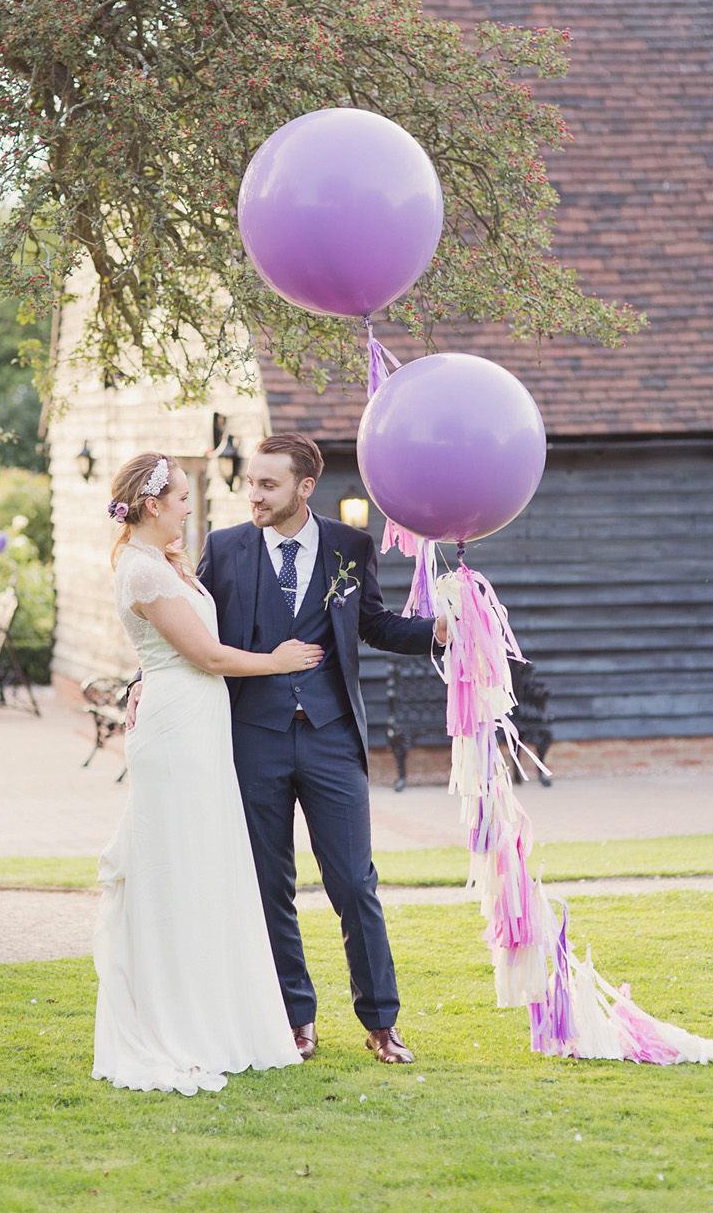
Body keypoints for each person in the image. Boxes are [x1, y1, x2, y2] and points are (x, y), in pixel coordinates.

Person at [196, 433, 445, 1065]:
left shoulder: (350, 547)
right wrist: (144, 681)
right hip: (255, 740)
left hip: (332, 738)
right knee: (267, 885)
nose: (254, 494)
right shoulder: (224, 550)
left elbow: (376, 624)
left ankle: (382, 1022)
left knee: (354, 883)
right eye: (251, 483)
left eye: (268, 485)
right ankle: (294, 1019)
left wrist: (437, 631)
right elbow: (191, 632)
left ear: (304, 488)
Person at [91, 451, 324, 1096]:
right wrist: (277, 662)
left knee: (206, 858)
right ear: (153, 504)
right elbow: (207, 655)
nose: (191, 507)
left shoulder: (163, 565)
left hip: (194, 721)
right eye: (183, 499)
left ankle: (217, 1010)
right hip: (178, 727)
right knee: (181, 862)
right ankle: (181, 1020)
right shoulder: (143, 572)